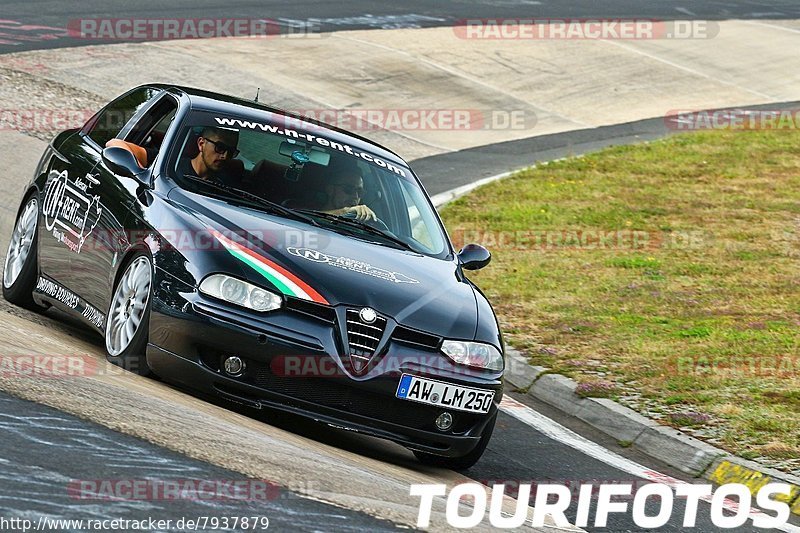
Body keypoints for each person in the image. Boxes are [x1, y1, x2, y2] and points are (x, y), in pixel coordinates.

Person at [177, 127, 243, 184]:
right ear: (201, 144)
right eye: (220, 147)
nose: (225, 156)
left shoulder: (227, 187)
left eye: (231, 151)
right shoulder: (173, 170)